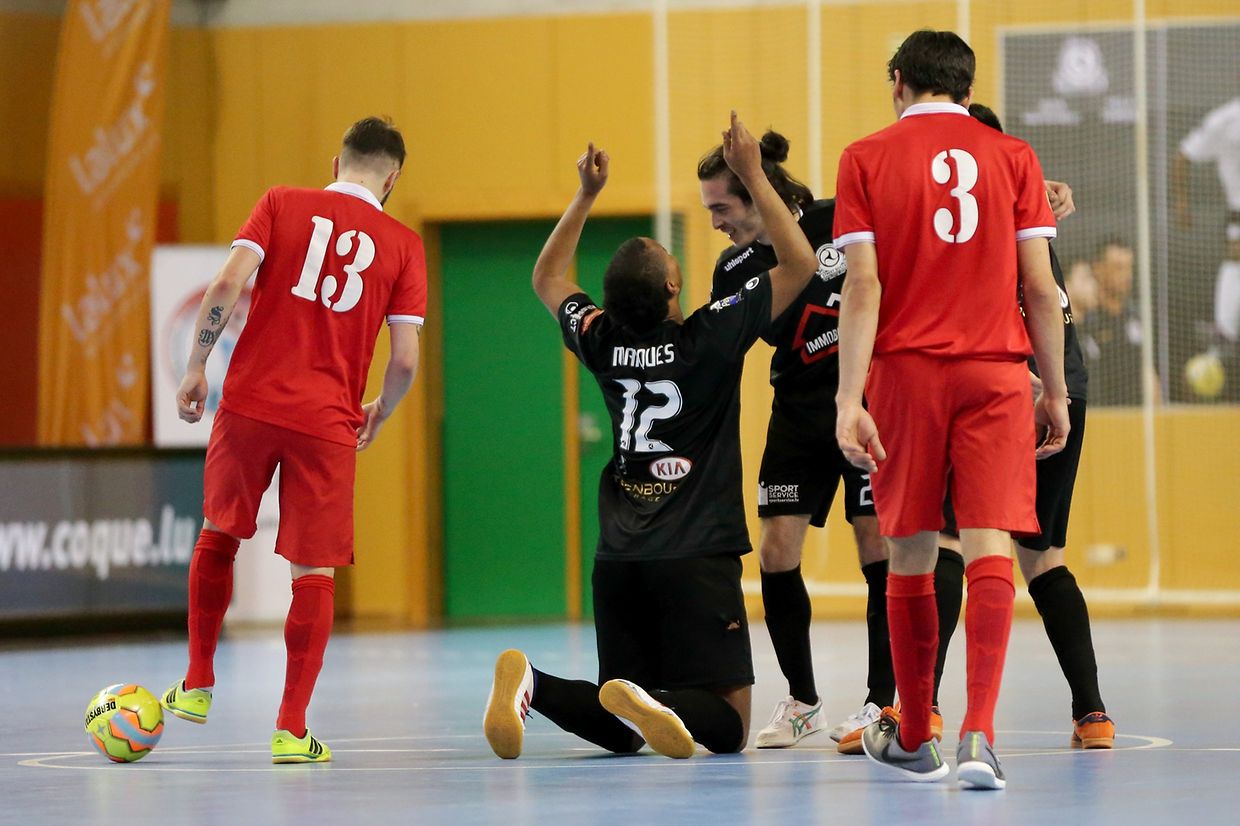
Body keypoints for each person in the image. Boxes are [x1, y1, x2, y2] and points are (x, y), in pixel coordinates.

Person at [482, 113, 818, 760]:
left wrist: (584, 196)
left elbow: (547, 279)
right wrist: (751, 172)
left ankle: (536, 684)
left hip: (619, 559)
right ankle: (652, 701)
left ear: (609, 305)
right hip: (696, 555)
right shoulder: (708, 339)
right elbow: (800, 262)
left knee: (624, 718)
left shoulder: (600, 340)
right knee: (725, 723)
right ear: (674, 288)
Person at [832, 30, 1070, 790]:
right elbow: (1039, 288)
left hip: (906, 373)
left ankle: (913, 735)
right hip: (996, 369)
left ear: (897, 81)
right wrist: (1054, 389)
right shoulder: (1014, 158)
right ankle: (979, 738)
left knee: (909, 547)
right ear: (967, 89)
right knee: (990, 539)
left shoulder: (864, 158)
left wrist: (848, 396)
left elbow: (861, 287)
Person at [160, 116, 426, 764]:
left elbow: (226, 284)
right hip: (327, 420)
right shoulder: (403, 244)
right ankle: (290, 727)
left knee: (219, 532)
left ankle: (196, 683)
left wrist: (197, 365)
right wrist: (380, 414)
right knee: (313, 571)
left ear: (336, 165)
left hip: (249, 402)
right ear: (392, 179)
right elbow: (405, 360)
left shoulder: (281, 201)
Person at [697, 132, 967, 752]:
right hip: (797, 408)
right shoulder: (732, 271)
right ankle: (802, 700)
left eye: (722, 208)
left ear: (757, 192)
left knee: (876, 542)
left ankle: (881, 700)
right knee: (775, 550)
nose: (714, 223)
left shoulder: (836, 221)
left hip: (870, 401)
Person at [928, 103, 1116, 751]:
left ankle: (923, 708)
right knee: (1043, 559)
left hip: (1014, 391)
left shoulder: (967, 223)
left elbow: (1023, 299)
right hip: (1068, 388)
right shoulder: (1027, 202)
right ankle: (1093, 714)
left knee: (953, 541)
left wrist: (1035, 386)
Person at [1173, 95, 1240, 370]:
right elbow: (1184, 154)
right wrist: (1181, 203)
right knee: (1235, 255)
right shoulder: (1226, 119)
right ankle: (1224, 330)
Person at [1076, 238, 1156, 405]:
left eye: (1129, 268)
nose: (1127, 275)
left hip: (1136, 416)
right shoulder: (1085, 319)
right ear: (1098, 269)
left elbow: (1148, 371)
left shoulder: (1138, 317)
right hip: (1097, 416)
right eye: (1118, 268)